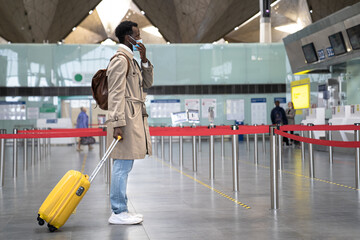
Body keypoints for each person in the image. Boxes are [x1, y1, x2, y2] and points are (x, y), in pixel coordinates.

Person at [106, 21, 153, 225]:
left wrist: (144, 59)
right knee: (122, 165)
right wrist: (117, 122)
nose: (140, 38)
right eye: (137, 35)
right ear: (128, 37)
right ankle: (118, 211)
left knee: (124, 165)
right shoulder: (120, 60)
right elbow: (115, 93)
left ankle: (121, 208)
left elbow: (147, 83)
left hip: (131, 117)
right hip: (125, 119)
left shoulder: (131, 59)